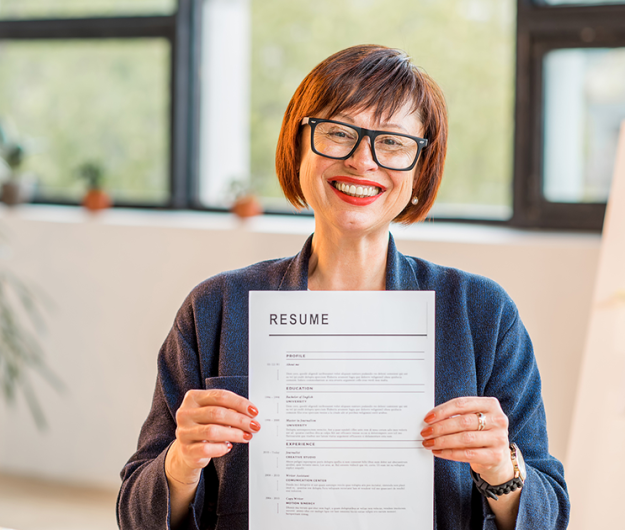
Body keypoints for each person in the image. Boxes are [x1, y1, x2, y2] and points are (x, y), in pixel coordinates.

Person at [117, 45, 570, 530]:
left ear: (420, 170)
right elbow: (135, 512)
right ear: (298, 147)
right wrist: (182, 462)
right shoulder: (216, 307)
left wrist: (504, 470)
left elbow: (550, 514)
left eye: (393, 143)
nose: (361, 161)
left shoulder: (483, 313)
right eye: (337, 132)